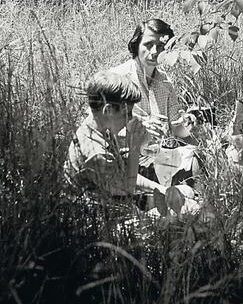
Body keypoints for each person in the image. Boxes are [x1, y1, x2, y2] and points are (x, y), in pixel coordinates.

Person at [109, 18, 198, 187]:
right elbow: (104, 127)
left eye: (161, 46)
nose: (154, 51)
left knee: (203, 157)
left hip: (159, 155)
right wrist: (140, 125)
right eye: (148, 44)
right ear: (136, 45)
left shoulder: (164, 81)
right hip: (127, 159)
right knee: (197, 164)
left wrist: (187, 121)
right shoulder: (118, 79)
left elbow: (178, 129)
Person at [64, 71, 169, 199]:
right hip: (97, 209)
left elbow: (122, 175)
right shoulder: (96, 152)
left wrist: (161, 189)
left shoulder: (97, 126)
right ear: (108, 110)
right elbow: (126, 188)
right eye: (127, 114)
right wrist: (134, 148)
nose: (129, 119)